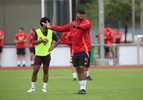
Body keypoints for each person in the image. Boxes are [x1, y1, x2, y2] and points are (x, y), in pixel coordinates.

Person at [42, 8, 91, 94]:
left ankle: (83, 89)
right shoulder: (72, 24)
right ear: (77, 14)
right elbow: (62, 28)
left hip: (84, 49)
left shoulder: (86, 22)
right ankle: (81, 88)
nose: (81, 15)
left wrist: (77, 27)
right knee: (78, 69)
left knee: (83, 67)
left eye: (83, 13)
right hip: (75, 50)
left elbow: (85, 27)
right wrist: (51, 27)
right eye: (80, 13)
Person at [27, 17, 60, 92]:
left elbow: (58, 40)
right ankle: (32, 88)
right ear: (43, 23)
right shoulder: (37, 31)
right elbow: (33, 42)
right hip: (38, 55)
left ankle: (44, 88)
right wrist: (42, 40)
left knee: (46, 71)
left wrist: (52, 48)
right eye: (47, 23)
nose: (49, 24)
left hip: (47, 55)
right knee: (35, 70)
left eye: (49, 23)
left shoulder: (51, 32)